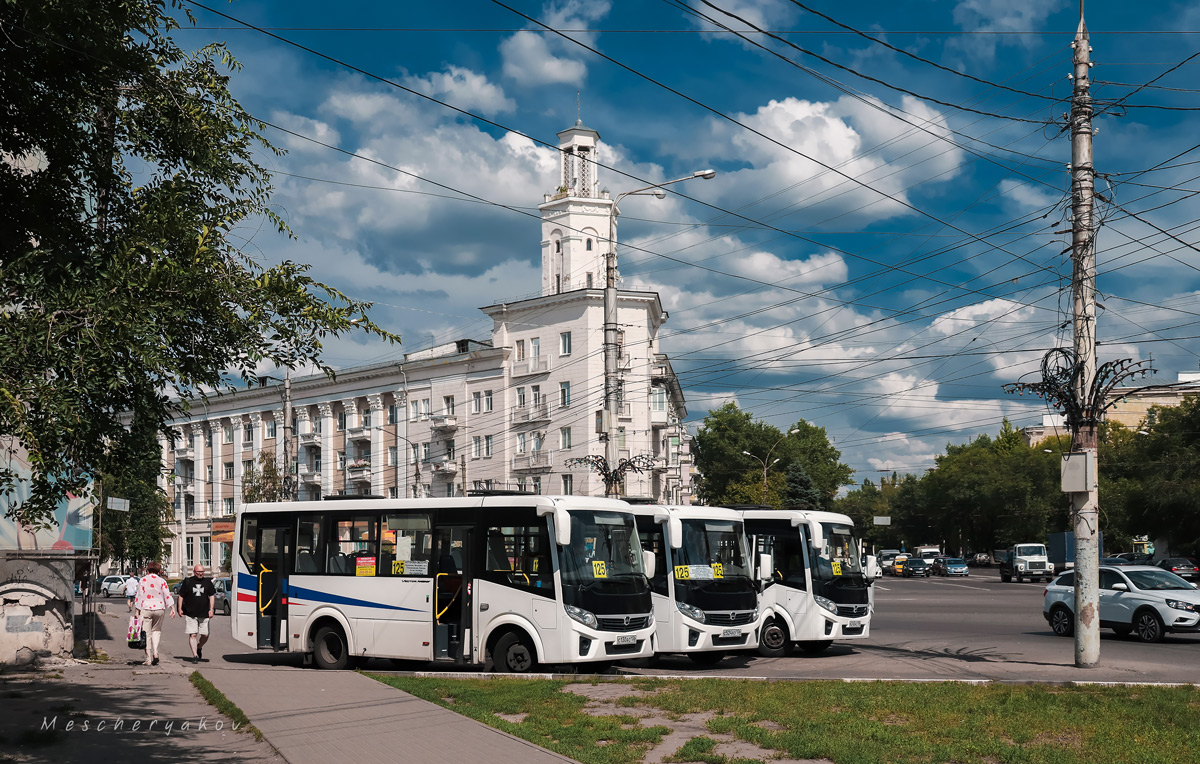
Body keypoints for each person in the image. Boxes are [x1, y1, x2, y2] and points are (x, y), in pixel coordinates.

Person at [134, 562, 175, 665]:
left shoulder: (143, 580)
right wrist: (172, 608)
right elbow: (167, 594)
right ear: (159, 571)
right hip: (159, 608)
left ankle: (148, 658)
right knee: (156, 631)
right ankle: (155, 652)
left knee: (146, 633)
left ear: (147, 570)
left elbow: (139, 595)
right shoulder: (162, 581)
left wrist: (137, 611)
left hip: (146, 608)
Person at [176, 564, 215, 663]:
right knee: (193, 635)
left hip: (204, 613)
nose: (200, 574)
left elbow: (211, 596)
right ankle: (195, 656)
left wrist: (211, 609)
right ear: (194, 572)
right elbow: (181, 595)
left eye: (202, 572)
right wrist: (180, 608)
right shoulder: (188, 581)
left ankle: (199, 647)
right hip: (190, 613)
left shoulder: (208, 582)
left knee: (205, 635)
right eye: (198, 572)